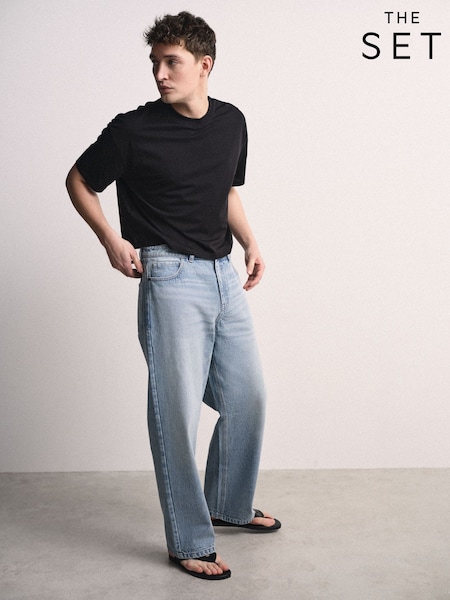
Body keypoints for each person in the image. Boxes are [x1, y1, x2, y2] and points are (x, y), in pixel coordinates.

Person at [66, 11, 280, 581]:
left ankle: (228, 504)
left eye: (172, 62)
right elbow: (79, 180)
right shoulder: (133, 130)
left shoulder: (231, 122)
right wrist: (111, 240)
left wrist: (251, 242)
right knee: (176, 414)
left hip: (222, 274)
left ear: (204, 65)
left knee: (248, 398)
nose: (160, 74)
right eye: (155, 63)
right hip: (169, 276)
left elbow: (225, 190)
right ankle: (188, 539)